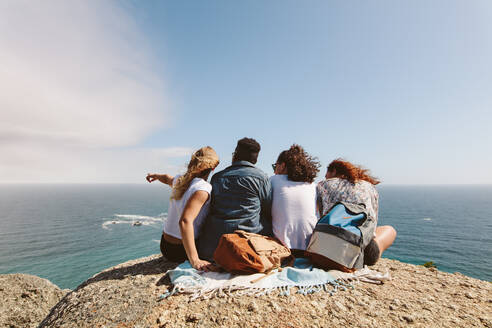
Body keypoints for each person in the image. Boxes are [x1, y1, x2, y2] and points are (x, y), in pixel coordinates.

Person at [198, 137, 272, 260]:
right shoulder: (261, 177)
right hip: (247, 247)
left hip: (214, 248)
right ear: (255, 159)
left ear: (235, 156)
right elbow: (267, 209)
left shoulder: (217, 177)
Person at [146, 146, 219, 271]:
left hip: (165, 246)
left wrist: (155, 176)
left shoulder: (181, 180)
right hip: (181, 251)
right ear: (212, 168)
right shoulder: (203, 188)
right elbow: (185, 221)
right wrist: (195, 260)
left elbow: (167, 178)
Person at [317, 159, 397, 266]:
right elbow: (373, 222)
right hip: (361, 253)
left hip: (324, 250)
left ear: (334, 171)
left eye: (326, 174)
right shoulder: (368, 186)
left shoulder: (322, 185)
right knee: (389, 230)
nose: (326, 178)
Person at [270, 144, 321, 256]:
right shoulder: (313, 185)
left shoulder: (273, 180)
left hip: (282, 247)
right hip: (310, 247)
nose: (274, 171)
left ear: (282, 166)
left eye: (275, 166)